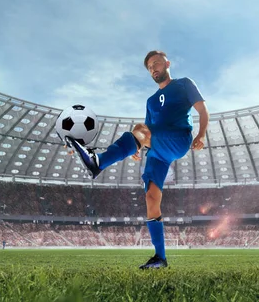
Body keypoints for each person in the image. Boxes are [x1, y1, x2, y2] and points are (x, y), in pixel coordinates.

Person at [67, 50, 209, 269]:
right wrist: (137, 146)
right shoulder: (151, 101)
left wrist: (200, 135)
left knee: (139, 130)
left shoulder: (184, 84)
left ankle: (99, 162)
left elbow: (202, 110)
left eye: (157, 63)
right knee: (151, 197)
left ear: (167, 63)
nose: (153, 68)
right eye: (150, 67)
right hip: (157, 152)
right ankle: (160, 258)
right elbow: (145, 130)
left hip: (178, 138)